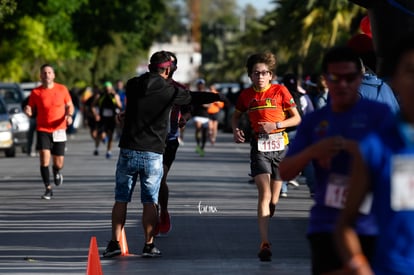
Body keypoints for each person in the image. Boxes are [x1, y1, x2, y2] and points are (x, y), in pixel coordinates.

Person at [279, 46, 394, 275]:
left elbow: (398, 163)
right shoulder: (314, 121)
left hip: (373, 225)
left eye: (350, 78)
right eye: (335, 77)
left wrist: (356, 149)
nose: (342, 84)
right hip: (326, 225)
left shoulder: (379, 114)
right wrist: (314, 150)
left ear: (360, 78)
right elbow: (285, 172)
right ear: (325, 79)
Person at [102, 51, 224, 258]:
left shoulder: (133, 85)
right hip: (153, 153)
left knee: (121, 199)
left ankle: (114, 243)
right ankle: (148, 245)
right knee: (150, 200)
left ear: (150, 67)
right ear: (167, 69)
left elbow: (133, 104)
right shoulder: (170, 91)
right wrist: (216, 96)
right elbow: (193, 98)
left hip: (128, 150)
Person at [335, 36, 414, 275]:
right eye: (411, 71)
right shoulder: (375, 147)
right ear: (394, 82)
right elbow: (345, 223)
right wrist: (359, 266)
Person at [232, 52, 301, 261]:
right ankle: (264, 243)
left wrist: (276, 125)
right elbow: (236, 116)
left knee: (273, 200)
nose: (260, 77)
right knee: (264, 195)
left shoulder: (280, 91)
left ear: (270, 75)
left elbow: (297, 119)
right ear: (250, 76)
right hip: (259, 148)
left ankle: (271, 208)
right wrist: (236, 130)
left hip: (281, 148)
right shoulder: (246, 95)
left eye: (264, 73)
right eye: (256, 73)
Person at [24, 64, 74, 200]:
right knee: (44, 159)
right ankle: (48, 188)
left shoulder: (62, 89)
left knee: (58, 162)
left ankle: (56, 171)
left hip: (59, 129)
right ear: (40, 76)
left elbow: (70, 105)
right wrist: (28, 109)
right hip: (43, 129)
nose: (47, 75)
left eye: (49, 72)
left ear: (54, 75)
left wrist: (69, 116)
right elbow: (30, 106)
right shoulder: (36, 92)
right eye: (44, 73)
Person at [91, 81, 122, 158]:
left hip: (111, 118)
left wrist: (115, 98)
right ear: (104, 88)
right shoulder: (100, 96)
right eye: (106, 89)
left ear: (111, 88)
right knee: (101, 134)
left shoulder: (115, 95)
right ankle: (102, 141)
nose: (107, 90)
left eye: (109, 89)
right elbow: (92, 106)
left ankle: (109, 151)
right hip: (102, 118)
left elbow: (120, 106)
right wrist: (96, 114)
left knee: (111, 135)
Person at [192, 79, 210, 156]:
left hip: (205, 115)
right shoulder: (194, 93)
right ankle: (198, 145)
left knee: (205, 133)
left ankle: (202, 147)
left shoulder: (207, 93)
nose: (200, 85)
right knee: (198, 129)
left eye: (201, 84)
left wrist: (204, 104)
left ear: (203, 85)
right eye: (199, 84)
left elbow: (209, 105)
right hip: (197, 115)